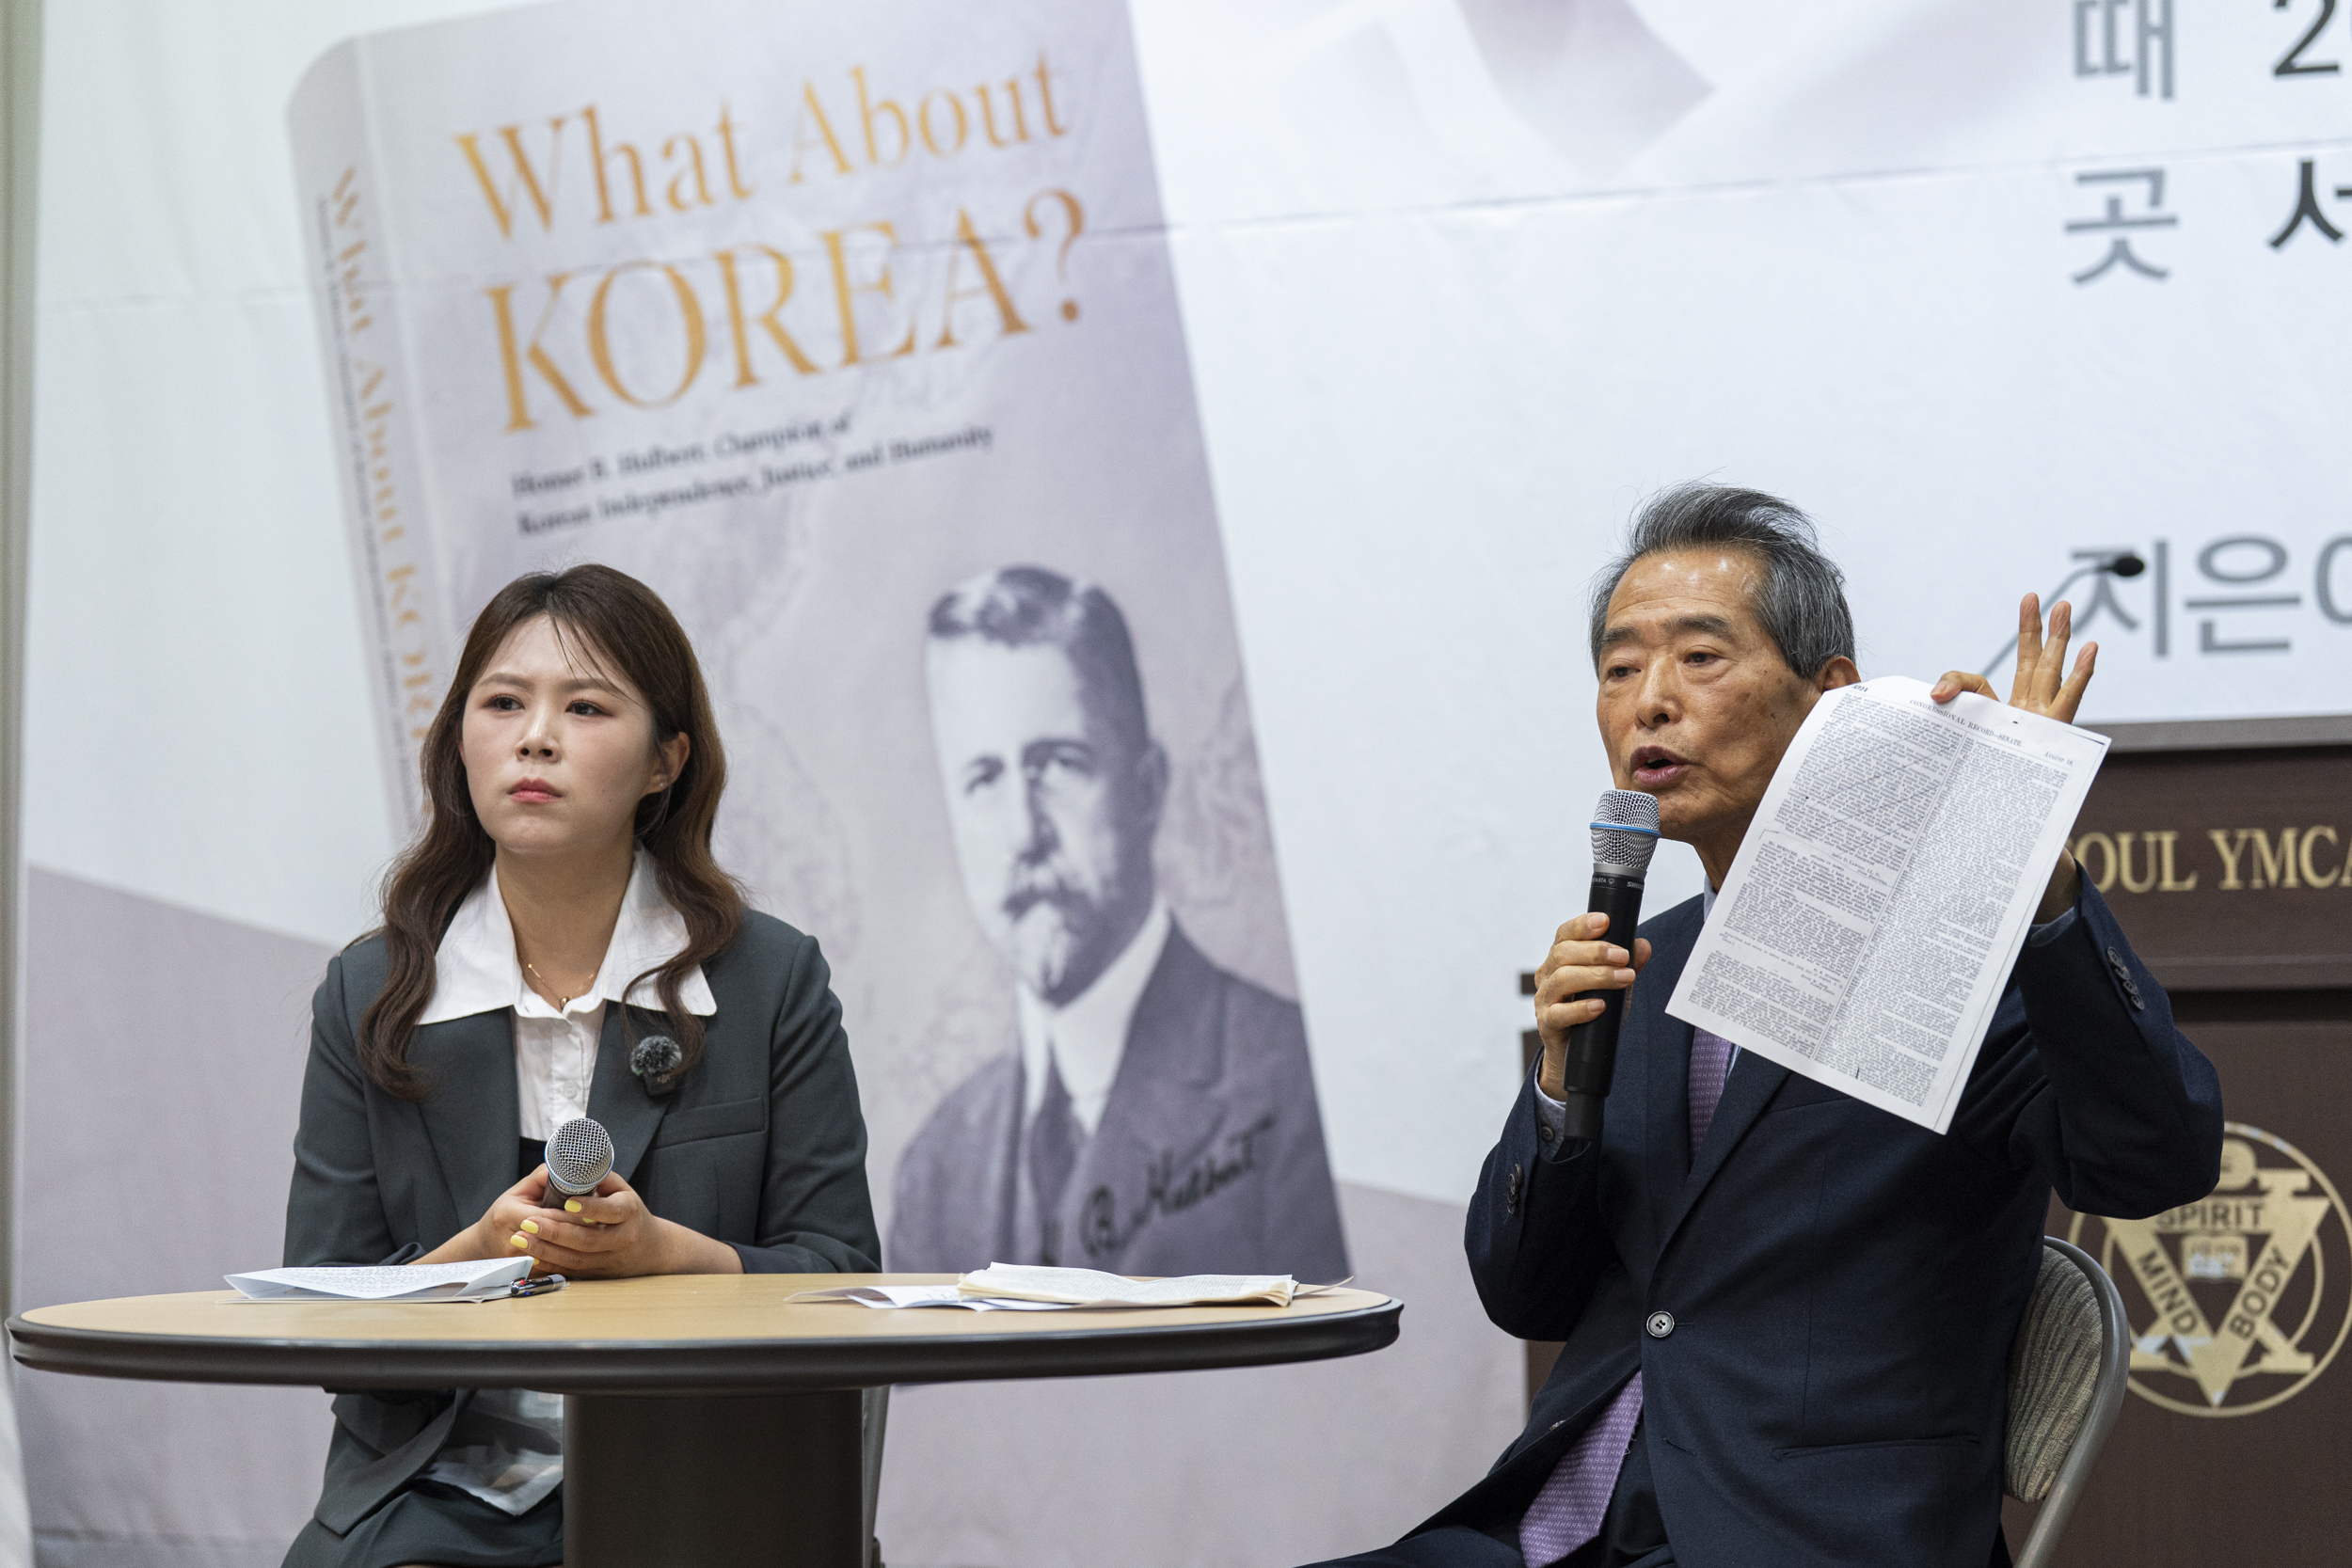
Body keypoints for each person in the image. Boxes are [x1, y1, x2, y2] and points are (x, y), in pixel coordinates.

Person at [1311, 485, 2222, 1568]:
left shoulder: (1957, 962)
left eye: (1699, 658)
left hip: (1805, 1535)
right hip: (1558, 1527)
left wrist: (2030, 869)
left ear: (1828, 695)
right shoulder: (1635, 965)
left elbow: (2152, 1161)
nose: (1650, 702)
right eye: (1619, 667)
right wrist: (1560, 1083)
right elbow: (1525, 1294)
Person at [280, 564, 880, 1568]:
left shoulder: (771, 979)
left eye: (586, 706)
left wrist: (670, 1255)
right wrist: (476, 1252)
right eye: (503, 703)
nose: (536, 737)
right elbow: (320, 1311)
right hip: (438, 1493)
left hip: (710, 1482)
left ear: (665, 761)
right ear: (460, 741)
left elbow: (844, 1278)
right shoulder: (371, 990)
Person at [889, 566, 1349, 1282]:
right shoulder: (935, 1170)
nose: (1022, 833)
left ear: (1147, 788)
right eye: (983, 779)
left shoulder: (1295, 1083)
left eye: (1058, 764)